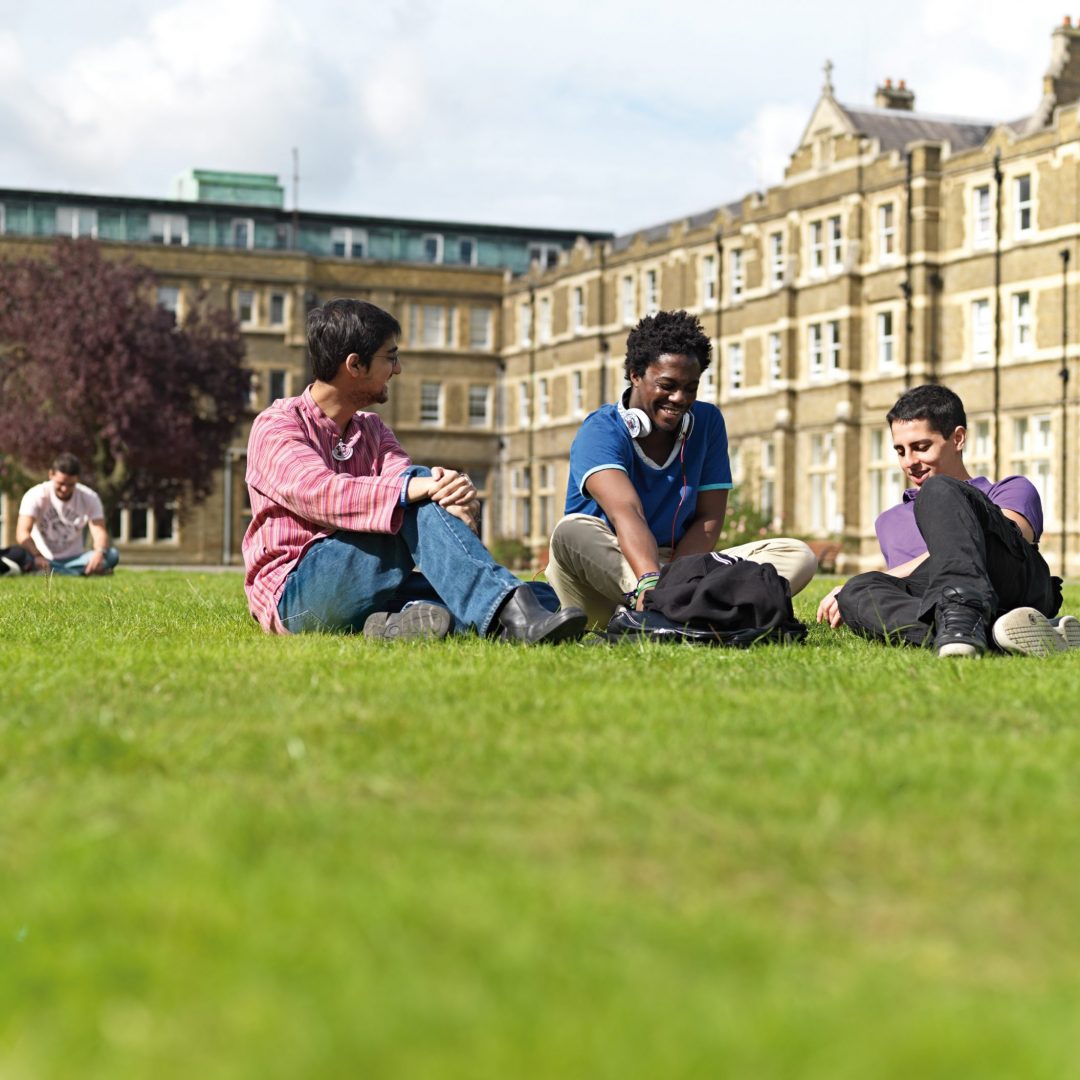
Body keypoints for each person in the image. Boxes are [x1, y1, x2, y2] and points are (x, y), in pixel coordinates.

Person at [242, 298, 587, 644]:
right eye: (390, 357)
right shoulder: (277, 426)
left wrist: (453, 500)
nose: (398, 368)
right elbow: (319, 493)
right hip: (297, 596)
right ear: (355, 365)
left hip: (368, 583)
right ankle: (513, 615)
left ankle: (397, 623)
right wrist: (423, 489)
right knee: (413, 493)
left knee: (545, 596)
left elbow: (410, 485)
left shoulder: (374, 431)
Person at [545, 310, 817, 628]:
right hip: (604, 571)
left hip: (675, 571)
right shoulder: (600, 430)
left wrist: (677, 581)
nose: (679, 398)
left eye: (691, 387)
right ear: (635, 374)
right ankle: (682, 609)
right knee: (570, 530)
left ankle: (665, 613)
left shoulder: (707, 422)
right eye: (667, 385)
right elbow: (627, 512)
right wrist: (649, 581)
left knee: (796, 554)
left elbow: (708, 518)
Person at [817, 384, 1075, 657]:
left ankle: (964, 617)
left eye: (921, 447)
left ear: (958, 438)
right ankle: (997, 633)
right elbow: (912, 589)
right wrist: (857, 587)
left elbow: (1012, 540)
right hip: (943, 598)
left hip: (1009, 580)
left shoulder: (1012, 489)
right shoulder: (888, 522)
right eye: (900, 451)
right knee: (856, 592)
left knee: (939, 489)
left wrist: (888, 575)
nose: (909, 462)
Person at [16, 453, 120, 576]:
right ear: (51, 475)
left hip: (76, 559)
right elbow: (22, 533)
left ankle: (56, 572)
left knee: (112, 555)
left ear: (77, 479)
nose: (65, 489)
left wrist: (99, 553)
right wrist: (37, 555)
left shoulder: (90, 497)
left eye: (70, 485)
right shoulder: (35, 495)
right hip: (42, 557)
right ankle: (79, 573)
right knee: (22, 557)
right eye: (61, 483)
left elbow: (99, 531)